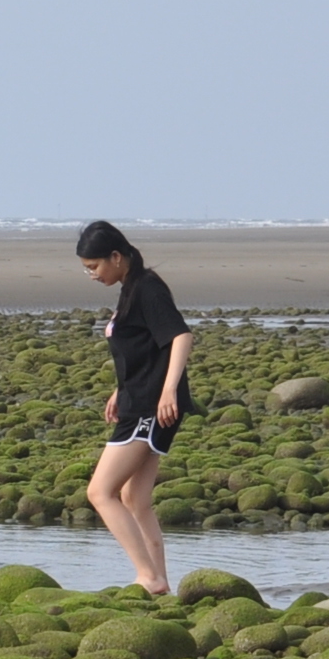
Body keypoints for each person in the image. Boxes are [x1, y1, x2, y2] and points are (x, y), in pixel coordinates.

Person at [77, 221, 190, 596]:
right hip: (137, 400)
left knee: (100, 492)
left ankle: (148, 576)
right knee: (134, 498)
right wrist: (118, 389)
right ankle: (160, 581)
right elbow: (142, 349)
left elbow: (179, 336)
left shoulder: (147, 288)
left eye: (94, 267)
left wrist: (169, 390)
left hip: (149, 408)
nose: (92, 275)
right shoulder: (131, 287)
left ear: (116, 256)